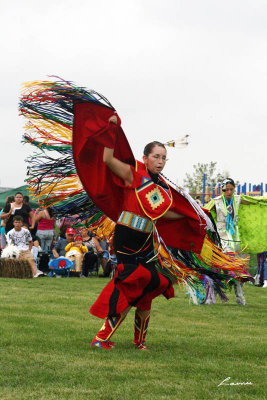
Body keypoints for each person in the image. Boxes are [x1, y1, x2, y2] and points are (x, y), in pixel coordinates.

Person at [205, 178, 250, 305]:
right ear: (222, 190)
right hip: (220, 238)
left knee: (235, 268)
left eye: (231, 189)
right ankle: (209, 297)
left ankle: (240, 297)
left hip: (234, 239)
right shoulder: (217, 201)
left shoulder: (238, 199)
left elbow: (253, 202)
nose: (229, 192)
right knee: (216, 267)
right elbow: (204, 211)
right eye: (227, 190)